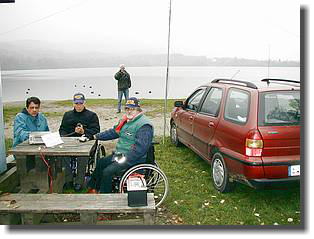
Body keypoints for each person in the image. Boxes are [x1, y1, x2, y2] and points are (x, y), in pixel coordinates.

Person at [86, 97, 153, 193]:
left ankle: (106, 197)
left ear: (138, 110)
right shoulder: (125, 121)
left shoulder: (144, 125)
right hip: (119, 155)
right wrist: (95, 137)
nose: (129, 111)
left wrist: (125, 158)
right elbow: (113, 132)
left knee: (107, 172)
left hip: (133, 159)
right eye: (127, 109)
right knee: (101, 162)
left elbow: (140, 149)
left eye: (132, 109)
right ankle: (94, 189)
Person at [59, 93, 100, 192]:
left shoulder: (92, 115)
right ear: (73, 103)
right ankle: (68, 180)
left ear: (84, 102)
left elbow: (96, 130)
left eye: (80, 103)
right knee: (63, 155)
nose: (78, 105)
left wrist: (84, 132)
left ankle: (79, 182)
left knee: (83, 155)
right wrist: (66, 137)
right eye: (76, 103)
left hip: (85, 143)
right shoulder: (67, 115)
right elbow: (62, 130)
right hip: (70, 143)